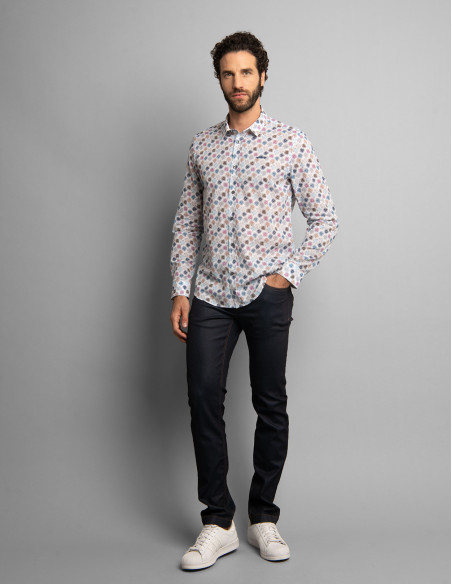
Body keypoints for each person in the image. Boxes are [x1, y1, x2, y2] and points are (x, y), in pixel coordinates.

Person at [169, 31, 339, 571]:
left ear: (263, 76)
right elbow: (187, 222)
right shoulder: (202, 144)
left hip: (267, 294)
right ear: (219, 79)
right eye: (228, 73)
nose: (237, 82)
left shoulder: (291, 141)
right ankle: (218, 522)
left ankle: (263, 516)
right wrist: (180, 288)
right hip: (209, 294)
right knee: (203, 399)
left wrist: (287, 275)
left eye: (246, 72)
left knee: (270, 403)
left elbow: (325, 218)